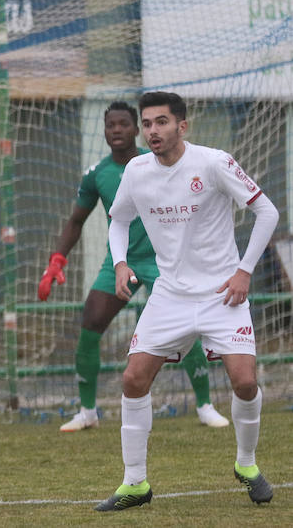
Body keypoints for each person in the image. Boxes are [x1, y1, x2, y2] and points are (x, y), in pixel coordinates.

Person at [95, 91, 278, 511]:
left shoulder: (213, 162)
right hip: (170, 296)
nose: (152, 131)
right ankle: (135, 483)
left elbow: (267, 211)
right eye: (147, 124)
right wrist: (120, 263)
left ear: (182, 125)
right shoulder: (137, 171)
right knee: (132, 380)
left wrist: (244, 270)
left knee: (246, 382)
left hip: (222, 294)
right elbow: (119, 219)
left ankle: (247, 465)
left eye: (161, 122)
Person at [39, 101, 227, 431]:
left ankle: (204, 405)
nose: (117, 130)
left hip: (163, 262)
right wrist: (57, 259)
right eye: (111, 125)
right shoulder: (98, 174)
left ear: (135, 129)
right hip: (121, 261)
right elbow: (76, 220)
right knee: (90, 322)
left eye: (124, 124)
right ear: (105, 130)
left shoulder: (154, 162)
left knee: (185, 327)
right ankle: (87, 412)